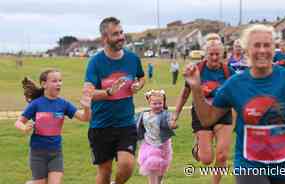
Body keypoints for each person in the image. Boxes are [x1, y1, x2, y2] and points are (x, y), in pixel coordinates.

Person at [184, 24, 285, 184]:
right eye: (257, 45)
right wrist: (196, 89)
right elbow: (207, 120)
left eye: (267, 45)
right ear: (247, 50)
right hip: (249, 165)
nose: (262, 50)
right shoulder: (235, 84)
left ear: (274, 48)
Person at [84, 17, 145, 184]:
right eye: (115, 34)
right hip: (101, 125)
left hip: (126, 123)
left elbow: (141, 76)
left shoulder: (132, 58)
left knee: (127, 165)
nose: (120, 37)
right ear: (105, 38)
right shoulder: (95, 62)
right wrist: (109, 92)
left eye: (121, 32)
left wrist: (138, 85)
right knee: (105, 172)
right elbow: (89, 92)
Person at [15, 69, 93, 184]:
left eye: (60, 81)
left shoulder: (64, 104)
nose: (59, 84)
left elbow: (85, 118)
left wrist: (87, 107)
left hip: (56, 152)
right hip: (38, 152)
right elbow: (18, 122)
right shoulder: (36, 104)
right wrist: (24, 128)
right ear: (44, 84)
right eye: (54, 81)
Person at [173, 36, 233, 184]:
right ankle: (198, 145)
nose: (214, 57)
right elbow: (185, 94)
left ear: (222, 54)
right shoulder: (197, 70)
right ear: (205, 54)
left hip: (222, 113)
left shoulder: (228, 72)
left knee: (222, 156)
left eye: (217, 54)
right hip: (201, 114)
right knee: (206, 160)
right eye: (211, 54)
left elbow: (238, 94)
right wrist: (175, 115)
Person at [135, 89, 177, 184]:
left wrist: (172, 125)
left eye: (160, 103)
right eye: (154, 103)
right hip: (148, 144)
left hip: (163, 144)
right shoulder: (143, 115)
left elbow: (170, 122)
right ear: (149, 103)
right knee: (152, 163)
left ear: (163, 103)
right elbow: (137, 125)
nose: (157, 106)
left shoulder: (165, 114)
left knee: (161, 166)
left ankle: (159, 181)